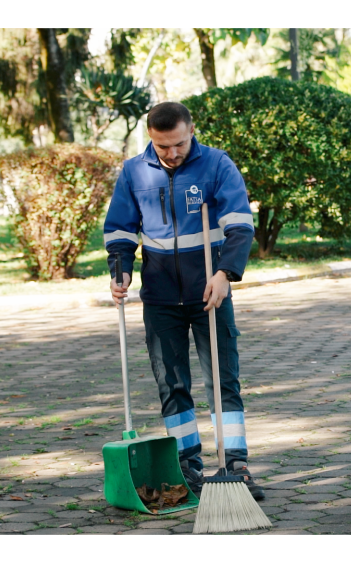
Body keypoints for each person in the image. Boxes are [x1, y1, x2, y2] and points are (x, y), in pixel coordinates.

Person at [103, 101, 263, 500]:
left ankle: (235, 463)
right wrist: (120, 269)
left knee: (223, 380)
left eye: (178, 144)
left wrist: (225, 274)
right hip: (159, 296)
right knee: (171, 383)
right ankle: (187, 464)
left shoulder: (216, 166)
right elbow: (120, 230)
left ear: (191, 130)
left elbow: (240, 225)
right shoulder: (134, 172)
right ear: (151, 139)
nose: (172, 154)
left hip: (210, 290)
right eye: (162, 147)